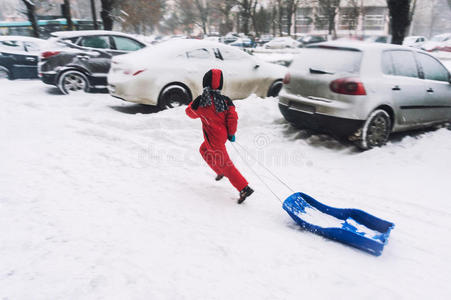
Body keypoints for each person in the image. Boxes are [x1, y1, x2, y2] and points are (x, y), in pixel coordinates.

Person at [185, 69, 254, 204]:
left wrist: (194, 103)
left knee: (226, 164)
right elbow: (232, 118)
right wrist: (231, 133)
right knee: (203, 150)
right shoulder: (226, 101)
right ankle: (219, 171)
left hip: (213, 140)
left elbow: (189, 113)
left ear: (205, 83)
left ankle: (244, 188)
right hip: (219, 137)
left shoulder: (201, 101)